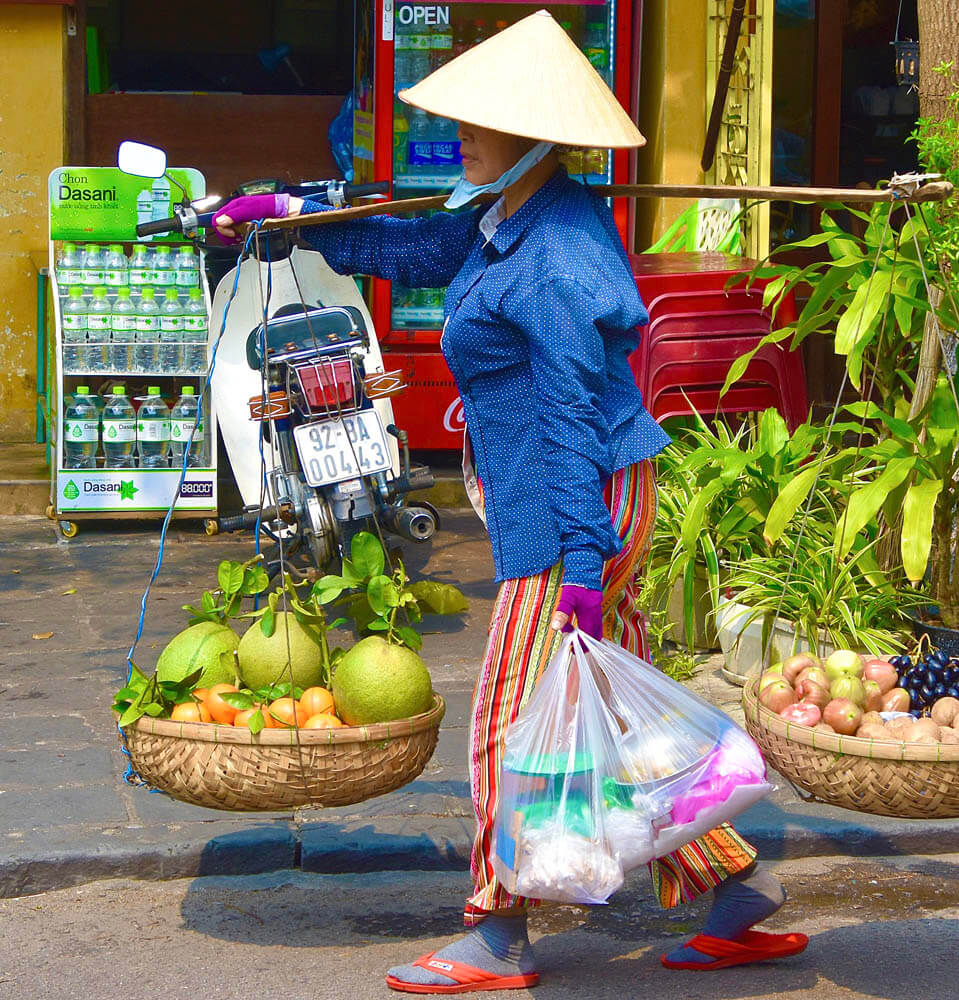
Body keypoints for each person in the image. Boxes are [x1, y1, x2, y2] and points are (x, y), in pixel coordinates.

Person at [215, 11, 805, 994]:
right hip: (568, 492)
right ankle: (734, 895)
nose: (463, 140)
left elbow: (572, 418)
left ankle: (498, 929)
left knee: (507, 716)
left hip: (572, 502)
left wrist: (579, 565)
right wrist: (293, 227)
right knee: (617, 712)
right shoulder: (508, 219)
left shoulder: (559, 259)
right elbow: (424, 247)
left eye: (483, 125)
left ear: (538, 137)